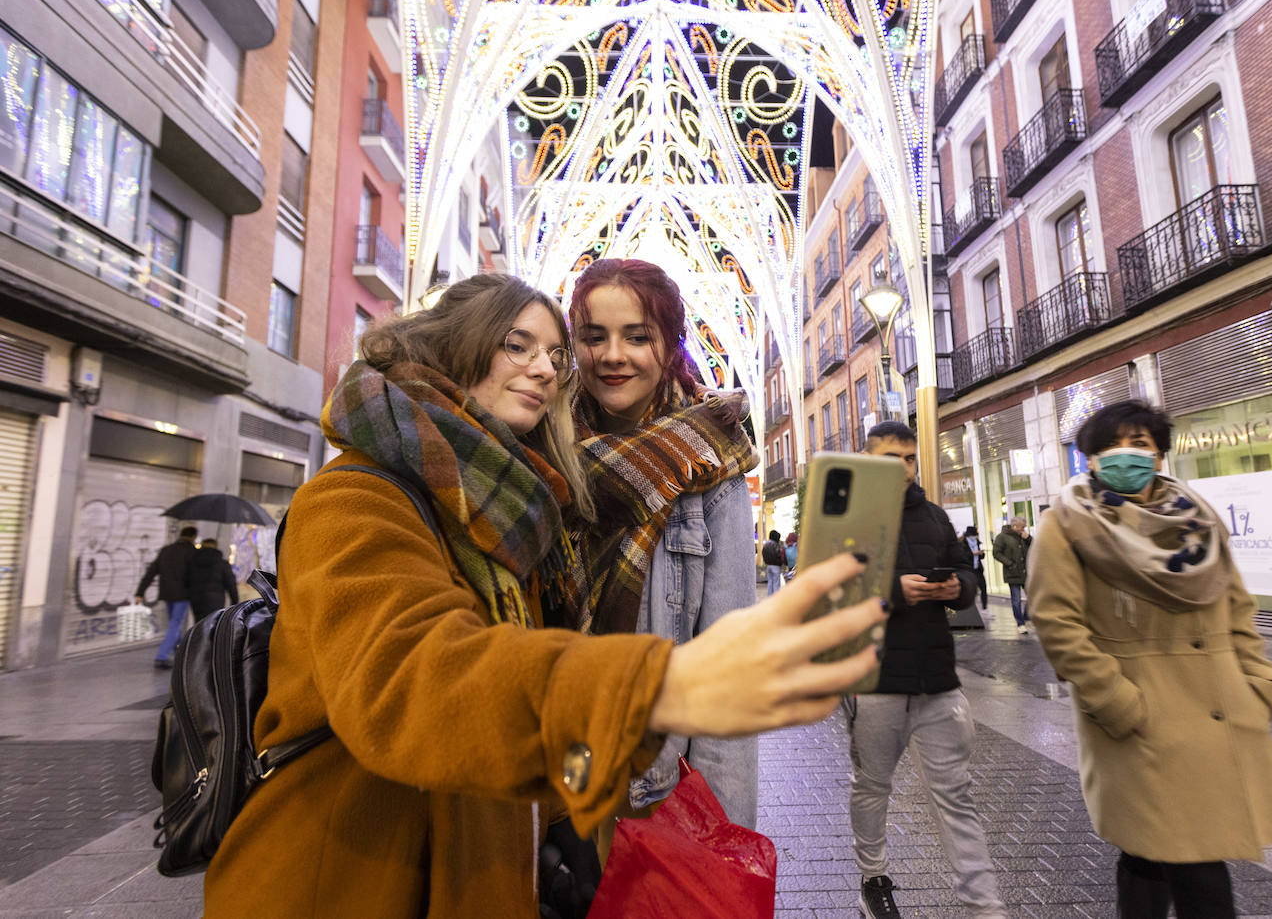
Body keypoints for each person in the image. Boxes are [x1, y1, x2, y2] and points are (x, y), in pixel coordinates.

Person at [202, 272, 887, 917]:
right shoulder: (354, 498)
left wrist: (564, 823)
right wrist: (655, 688)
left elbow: (518, 660)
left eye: (555, 353)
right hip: (351, 880)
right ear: (455, 344)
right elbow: (414, 678)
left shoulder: (519, 509)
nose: (546, 368)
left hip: (490, 859)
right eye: (518, 345)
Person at [1028, 400, 1272, 919]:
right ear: (1088, 459)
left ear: (1159, 455)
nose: (1125, 455)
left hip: (1219, 704)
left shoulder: (1198, 520)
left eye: (1140, 445)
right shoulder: (1067, 524)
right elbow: (1058, 623)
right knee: (1184, 856)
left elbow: (1236, 605)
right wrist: (1116, 699)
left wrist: (1260, 679)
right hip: (1142, 712)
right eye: (1111, 447)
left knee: (1166, 850)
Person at [568, 257, 761, 831]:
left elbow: (726, 674)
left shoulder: (711, 467)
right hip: (549, 773)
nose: (613, 355)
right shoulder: (540, 448)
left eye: (637, 336)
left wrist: (721, 838)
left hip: (651, 793)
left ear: (672, 345)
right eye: (593, 336)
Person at [847, 421, 1006, 919]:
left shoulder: (936, 517)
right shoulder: (847, 517)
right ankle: (874, 880)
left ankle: (984, 906)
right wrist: (896, 591)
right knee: (873, 787)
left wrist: (954, 588)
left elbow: (966, 574)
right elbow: (827, 592)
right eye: (889, 458)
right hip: (876, 682)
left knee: (956, 795)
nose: (902, 468)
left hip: (938, 681)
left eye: (909, 459)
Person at [134, 525, 197, 669]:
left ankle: (180, 654)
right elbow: (195, 576)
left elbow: (151, 572)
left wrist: (140, 592)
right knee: (175, 624)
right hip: (183, 594)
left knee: (175, 624)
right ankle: (161, 656)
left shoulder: (166, 550)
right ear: (193, 537)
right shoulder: (192, 552)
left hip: (167, 593)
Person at [992, 517, 1031, 634]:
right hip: (1013, 573)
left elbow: (1034, 546)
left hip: (1025, 572)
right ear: (1014, 526)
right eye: (1022, 527)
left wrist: (1028, 538)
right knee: (1016, 599)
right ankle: (1020, 623)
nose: (1023, 530)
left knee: (1033, 596)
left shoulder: (1023, 536)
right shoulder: (1002, 537)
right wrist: (1010, 564)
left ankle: (1026, 617)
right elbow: (996, 553)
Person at [186, 537, 239, 622]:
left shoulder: (193, 562)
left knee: (199, 623)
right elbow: (231, 583)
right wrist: (234, 601)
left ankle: (200, 635)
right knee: (214, 623)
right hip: (216, 599)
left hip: (196, 598)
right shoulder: (222, 563)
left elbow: (187, 579)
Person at [963, 526, 988, 611]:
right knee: (971, 590)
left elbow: (982, 556)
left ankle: (985, 608)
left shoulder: (977, 542)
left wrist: (981, 554)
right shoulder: (963, 543)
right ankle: (971, 608)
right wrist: (973, 553)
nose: (974, 537)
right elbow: (963, 556)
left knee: (983, 588)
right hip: (969, 570)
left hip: (978, 569)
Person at [762, 529, 788, 595]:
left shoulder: (766, 544)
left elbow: (763, 553)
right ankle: (776, 597)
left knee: (770, 582)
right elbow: (778, 554)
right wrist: (780, 561)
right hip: (775, 566)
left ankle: (769, 597)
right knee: (776, 583)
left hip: (768, 566)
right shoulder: (775, 544)